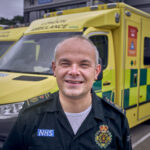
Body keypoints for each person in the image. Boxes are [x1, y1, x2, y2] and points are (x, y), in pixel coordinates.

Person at [2, 36, 132, 150]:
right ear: (54, 69)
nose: (74, 72)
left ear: (96, 71)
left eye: (84, 64)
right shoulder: (30, 115)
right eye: (65, 64)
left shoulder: (116, 119)